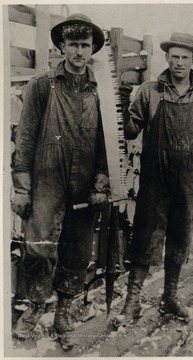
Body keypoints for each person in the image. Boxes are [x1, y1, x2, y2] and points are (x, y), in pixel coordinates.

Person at [11, 14, 110, 339]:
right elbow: (24, 141)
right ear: (62, 47)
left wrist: (100, 184)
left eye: (85, 45)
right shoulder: (42, 86)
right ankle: (36, 306)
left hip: (84, 185)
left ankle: (65, 310)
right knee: (39, 248)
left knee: (77, 250)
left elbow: (106, 145)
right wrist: (23, 190)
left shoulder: (101, 92)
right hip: (46, 183)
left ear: (93, 48)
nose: (79, 52)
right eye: (73, 45)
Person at [118, 32, 193, 324]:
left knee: (180, 238)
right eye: (174, 56)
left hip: (191, 180)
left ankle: (169, 298)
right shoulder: (150, 91)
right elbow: (129, 130)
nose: (178, 63)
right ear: (166, 58)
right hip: (155, 179)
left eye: (184, 57)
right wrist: (123, 104)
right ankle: (132, 303)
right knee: (144, 236)